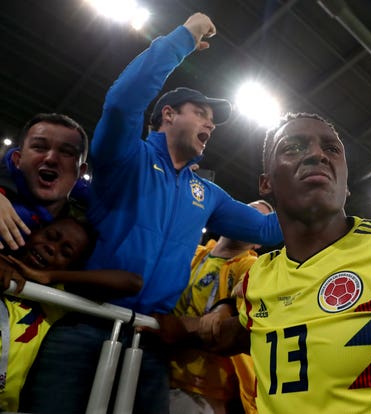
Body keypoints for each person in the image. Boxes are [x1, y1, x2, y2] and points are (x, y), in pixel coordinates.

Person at [152, 113, 371, 413]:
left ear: (346, 185)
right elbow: (230, 333)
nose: (317, 155)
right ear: (266, 183)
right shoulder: (256, 279)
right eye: (293, 147)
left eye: (331, 149)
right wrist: (171, 324)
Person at [21, 12, 282, 414]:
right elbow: (124, 101)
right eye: (202, 113)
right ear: (168, 115)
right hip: (85, 323)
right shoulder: (127, 156)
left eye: (213, 121)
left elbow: (267, 227)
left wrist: (321, 197)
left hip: (152, 340)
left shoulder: (207, 193)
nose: (211, 125)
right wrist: (183, 38)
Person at [0, 216, 142, 412]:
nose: (51, 248)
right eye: (50, 236)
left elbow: (132, 282)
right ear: (34, 230)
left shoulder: (55, 298)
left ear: (72, 267)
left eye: (65, 253)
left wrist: (50, 276)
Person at [169, 200, 272, 414]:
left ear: (259, 243)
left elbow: (249, 301)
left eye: (257, 219)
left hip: (203, 391)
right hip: (157, 368)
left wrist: (228, 307)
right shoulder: (191, 251)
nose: (247, 217)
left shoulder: (252, 267)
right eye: (246, 210)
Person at [0, 113, 89, 250]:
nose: (51, 158)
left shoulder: (89, 230)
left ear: (81, 172)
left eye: (67, 152)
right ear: (17, 160)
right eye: (39, 147)